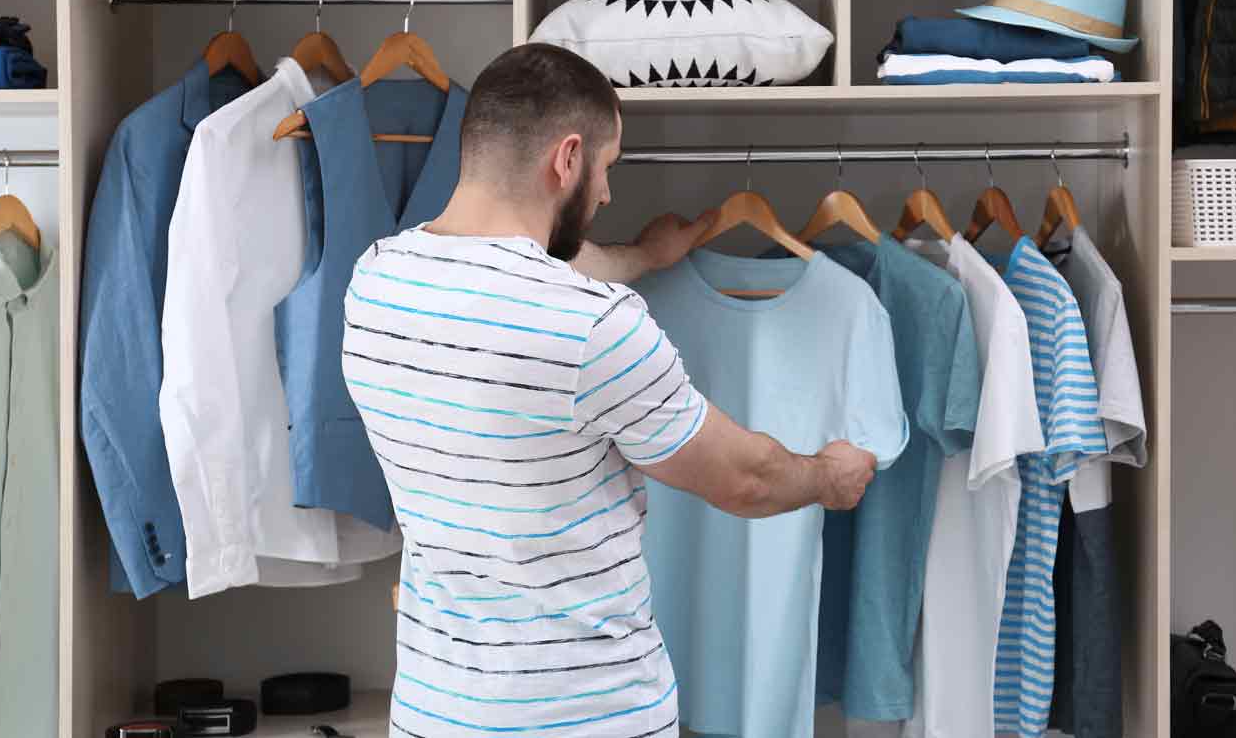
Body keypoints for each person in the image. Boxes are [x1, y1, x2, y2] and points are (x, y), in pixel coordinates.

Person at [342, 43, 880, 737]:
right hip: (586, 714)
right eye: (605, 168)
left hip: (435, 711)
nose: (606, 194)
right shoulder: (596, 325)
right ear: (566, 159)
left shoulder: (378, 279)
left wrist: (643, 258)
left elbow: (530, 273)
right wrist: (828, 477)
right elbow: (745, 480)